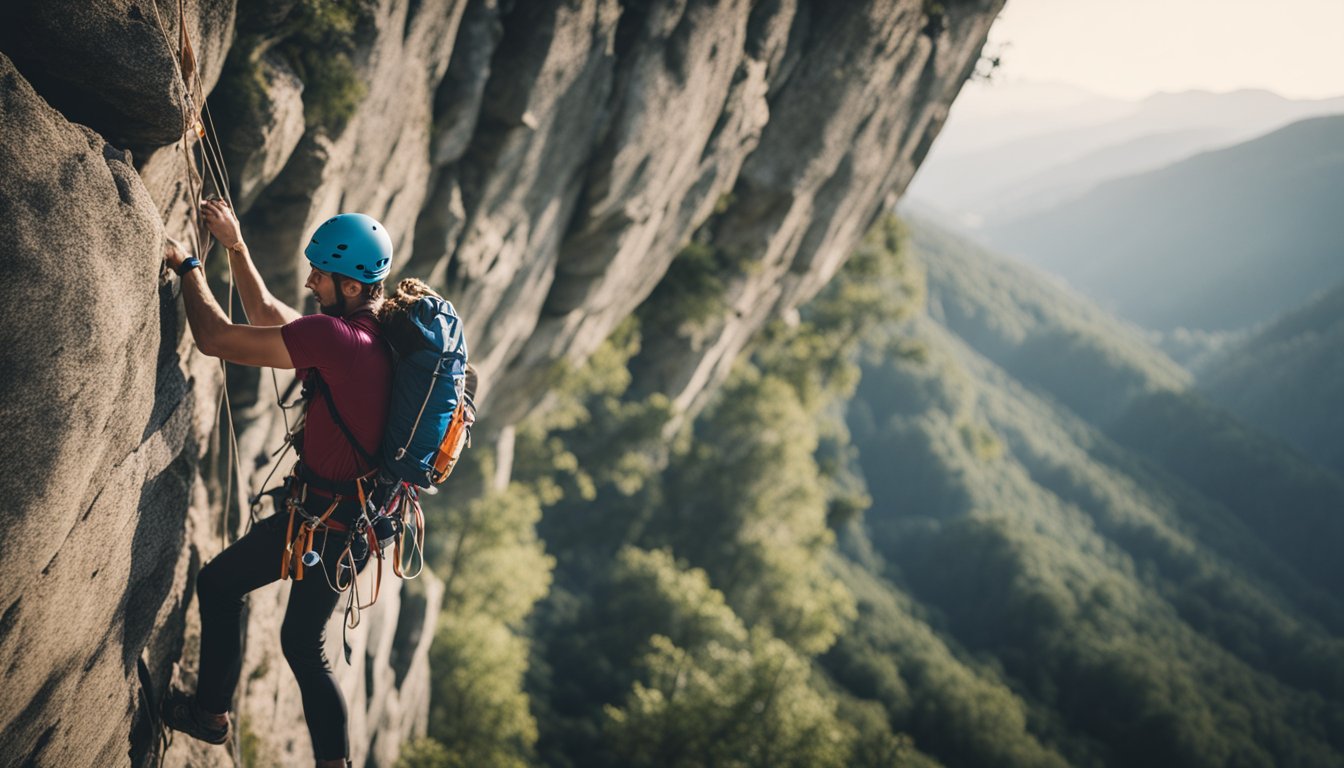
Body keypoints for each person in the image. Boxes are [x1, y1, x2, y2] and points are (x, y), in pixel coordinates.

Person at [160, 199, 395, 768]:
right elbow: (269, 311)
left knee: (225, 591)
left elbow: (215, 337)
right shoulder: (370, 337)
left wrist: (189, 265)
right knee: (297, 642)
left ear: (354, 286)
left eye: (321, 274)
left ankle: (212, 717)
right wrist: (236, 246)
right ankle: (219, 718)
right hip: (345, 523)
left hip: (325, 525)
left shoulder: (338, 341)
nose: (311, 280)